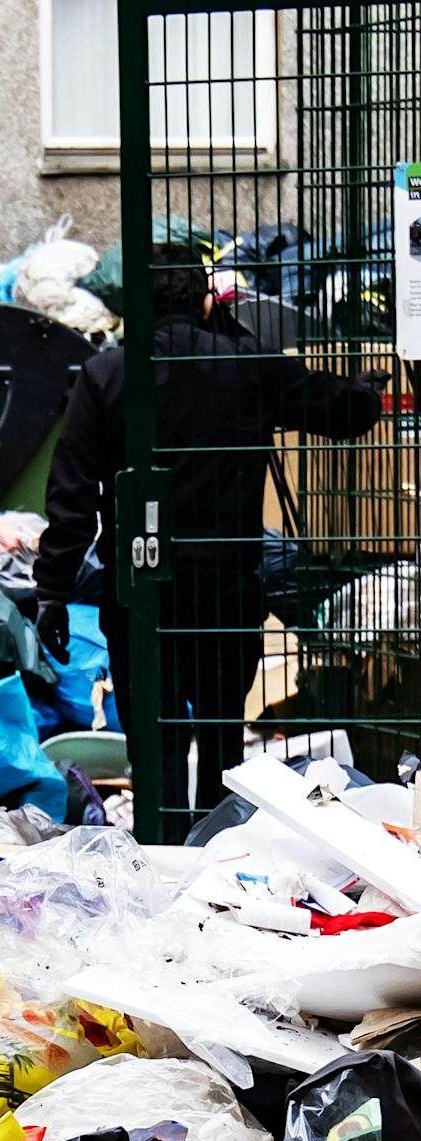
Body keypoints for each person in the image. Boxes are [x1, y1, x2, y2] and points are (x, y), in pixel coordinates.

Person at [34, 242, 385, 832]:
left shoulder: (106, 375)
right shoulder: (245, 366)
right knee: (222, 727)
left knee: (158, 733)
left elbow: (71, 498)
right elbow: (344, 414)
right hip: (225, 588)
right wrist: (368, 387)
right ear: (203, 300)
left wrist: (52, 592)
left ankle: (162, 843)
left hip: (142, 589)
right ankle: (220, 845)